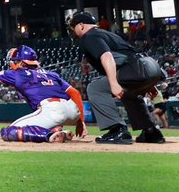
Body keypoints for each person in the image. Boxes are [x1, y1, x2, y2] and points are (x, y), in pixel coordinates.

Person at [67, 10, 165, 143]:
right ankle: (151, 132)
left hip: (137, 68)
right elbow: (130, 53)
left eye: (74, 27)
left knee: (95, 88)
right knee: (129, 93)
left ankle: (117, 130)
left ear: (81, 25)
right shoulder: (106, 33)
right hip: (151, 66)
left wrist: (113, 83)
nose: (73, 30)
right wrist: (150, 84)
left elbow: (107, 56)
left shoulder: (89, 37)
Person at [0, 45, 85, 143]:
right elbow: (75, 94)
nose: (12, 64)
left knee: (9, 132)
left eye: (14, 61)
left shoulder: (17, 73)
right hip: (72, 111)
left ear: (21, 62)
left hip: (52, 110)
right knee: (47, 119)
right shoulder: (51, 73)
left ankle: (49, 136)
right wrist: (81, 122)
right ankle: (58, 132)